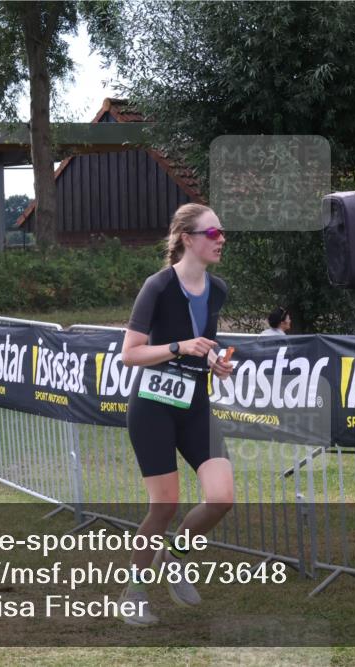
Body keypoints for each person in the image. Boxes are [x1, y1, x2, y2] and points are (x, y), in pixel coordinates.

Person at [118, 203, 234, 626]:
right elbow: (130, 354)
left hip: (194, 405)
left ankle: (174, 556)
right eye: (213, 233)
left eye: (221, 232)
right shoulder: (158, 286)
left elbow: (204, 345)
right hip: (152, 408)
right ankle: (133, 592)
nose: (221, 240)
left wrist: (215, 362)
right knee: (164, 505)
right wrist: (177, 347)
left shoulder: (217, 289)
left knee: (221, 497)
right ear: (188, 238)